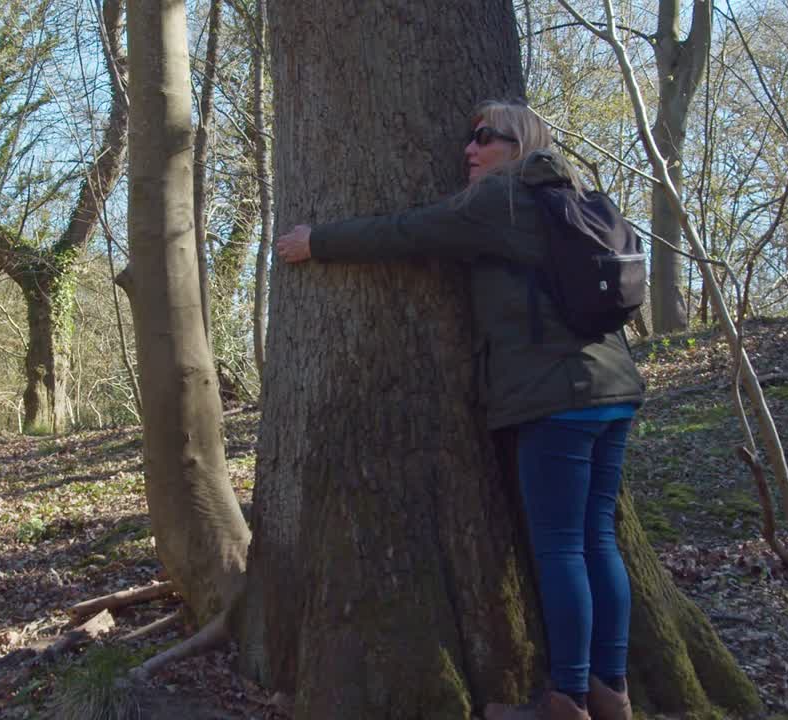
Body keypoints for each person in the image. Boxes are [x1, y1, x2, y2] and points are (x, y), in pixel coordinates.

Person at [275, 100, 644, 720]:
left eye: (483, 139)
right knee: (596, 540)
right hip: (613, 391)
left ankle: (568, 700)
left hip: (556, 399)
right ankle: (613, 693)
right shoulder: (579, 197)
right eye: (469, 140)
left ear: (517, 144)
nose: (469, 151)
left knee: (561, 549)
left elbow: (408, 231)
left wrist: (319, 241)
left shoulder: (498, 201)